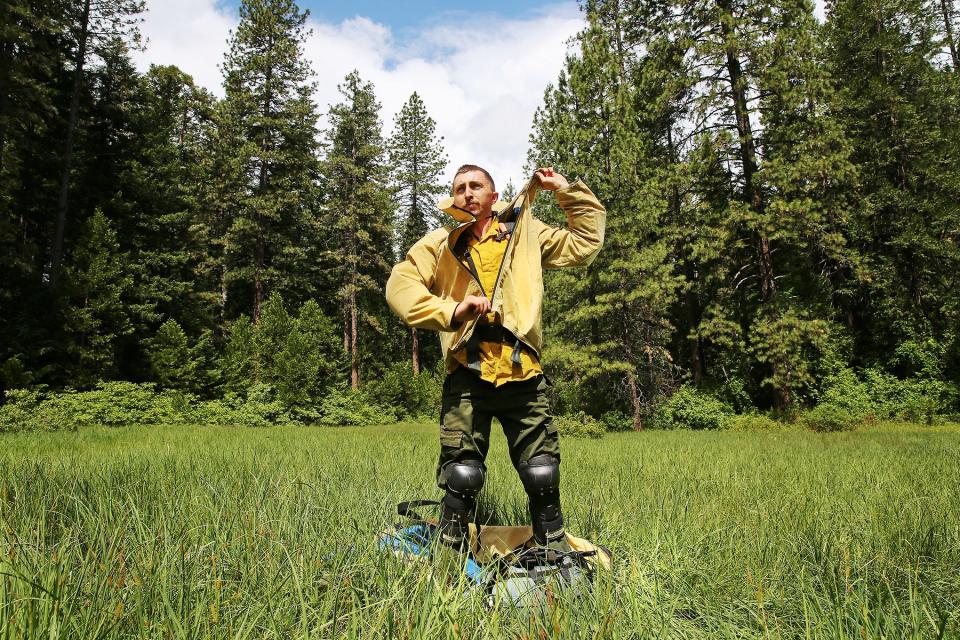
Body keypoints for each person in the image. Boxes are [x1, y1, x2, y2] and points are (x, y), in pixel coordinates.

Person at [385, 164, 606, 551]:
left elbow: (585, 243)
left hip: (522, 369)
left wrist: (565, 190)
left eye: (476, 186)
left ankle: (553, 550)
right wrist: (451, 312)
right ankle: (449, 554)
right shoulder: (440, 243)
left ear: (493, 194)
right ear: (453, 199)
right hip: (466, 371)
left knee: (541, 470)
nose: (467, 192)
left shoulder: (525, 235)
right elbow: (399, 286)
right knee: (462, 472)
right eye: (459, 188)